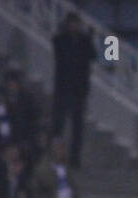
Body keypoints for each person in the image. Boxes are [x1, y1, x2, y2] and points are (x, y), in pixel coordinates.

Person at [51, 13, 96, 167]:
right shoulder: (60, 40)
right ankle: (55, 157)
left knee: (78, 127)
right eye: (71, 23)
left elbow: (92, 56)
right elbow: (60, 55)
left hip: (79, 90)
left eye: (76, 23)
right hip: (63, 88)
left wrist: (89, 38)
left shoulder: (84, 41)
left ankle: (75, 159)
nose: (73, 26)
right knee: (58, 125)